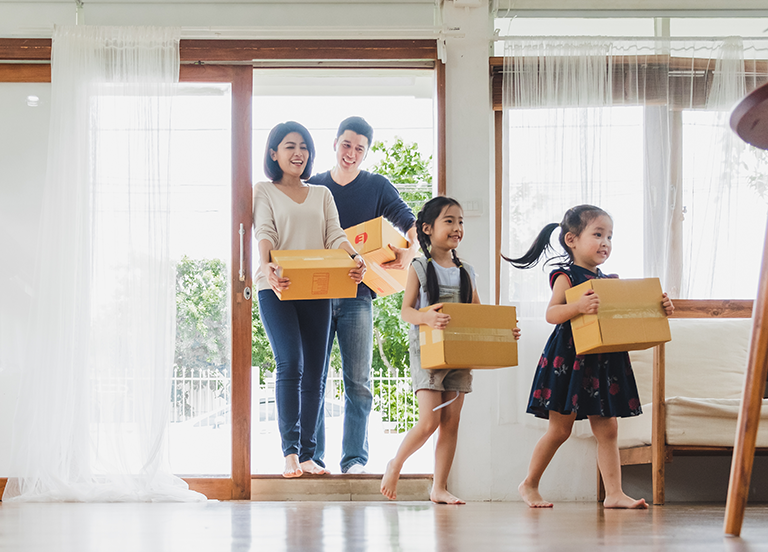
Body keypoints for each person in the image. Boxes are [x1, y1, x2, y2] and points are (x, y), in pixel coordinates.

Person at [503, 204, 675, 509]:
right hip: (569, 359)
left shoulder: (610, 281)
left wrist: (658, 309)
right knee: (560, 429)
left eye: (610, 236)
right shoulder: (566, 276)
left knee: (608, 428)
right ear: (572, 239)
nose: (605, 242)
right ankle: (528, 483)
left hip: (602, 359)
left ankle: (614, 494)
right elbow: (552, 314)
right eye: (598, 234)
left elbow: (626, 316)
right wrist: (578, 307)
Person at [380, 196, 521, 504]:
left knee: (451, 424)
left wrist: (504, 332)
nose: (457, 227)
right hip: (428, 354)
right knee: (428, 422)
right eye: (449, 221)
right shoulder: (419, 266)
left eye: (460, 222)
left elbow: (479, 315)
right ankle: (396, 464)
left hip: (460, 353)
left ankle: (439, 487)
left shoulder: (466, 271)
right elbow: (406, 312)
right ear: (427, 229)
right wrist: (427, 316)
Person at [253, 121, 366, 478]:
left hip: (316, 289)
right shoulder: (264, 191)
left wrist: (354, 257)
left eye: (303, 147)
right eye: (289, 146)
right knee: (291, 363)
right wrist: (267, 266)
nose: (298, 153)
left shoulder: (321, 194)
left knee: (316, 372)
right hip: (278, 287)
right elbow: (265, 232)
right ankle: (289, 451)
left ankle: (308, 456)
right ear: (274, 153)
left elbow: (335, 235)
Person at [309, 116, 419, 474]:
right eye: (346, 145)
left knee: (359, 380)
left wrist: (410, 251)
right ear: (335, 144)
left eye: (359, 148)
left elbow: (412, 223)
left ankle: (354, 460)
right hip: (319, 296)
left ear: (366, 152)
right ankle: (313, 457)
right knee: (315, 378)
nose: (351, 153)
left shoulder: (377, 187)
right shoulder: (315, 187)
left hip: (359, 296)